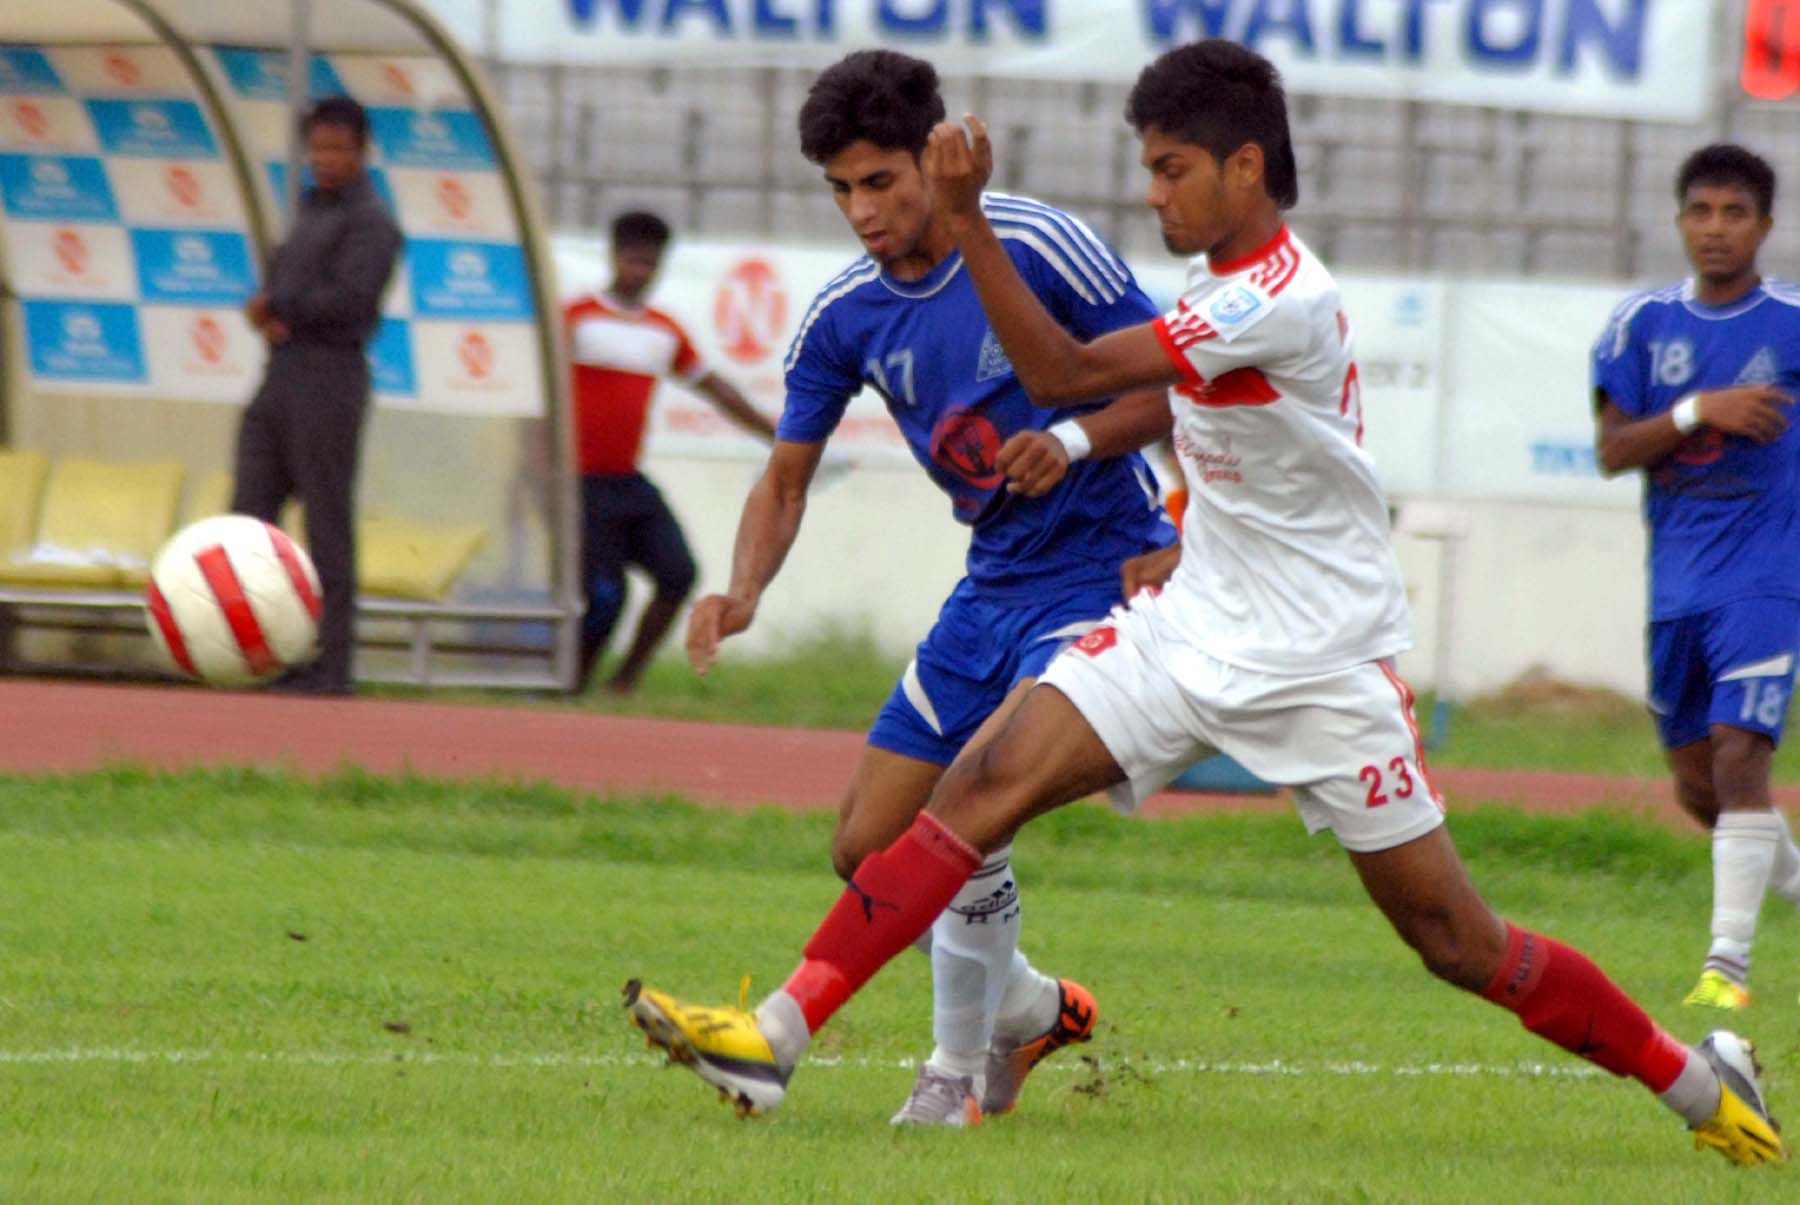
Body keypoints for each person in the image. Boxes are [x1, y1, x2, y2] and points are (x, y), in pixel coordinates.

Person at [627, 41, 1789, 1166]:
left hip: (1323, 662)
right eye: (1148, 165)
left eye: (1170, 167)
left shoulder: (1281, 296)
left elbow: (1068, 375)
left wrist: (971, 221)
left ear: (1245, 169)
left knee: (1459, 942)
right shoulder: (1210, 281)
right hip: (1189, 629)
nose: (1153, 191)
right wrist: (1177, 539)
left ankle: (1697, 1079)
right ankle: (777, 1035)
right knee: (977, 785)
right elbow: (1209, 435)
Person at [679, 49, 1177, 1126]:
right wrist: (743, 588)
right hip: (989, 587)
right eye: (841, 188)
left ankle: (950, 1075)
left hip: (1101, 573)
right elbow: (786, 475)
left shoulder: (1039, 245)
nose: (862, 210)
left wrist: (1075, 437)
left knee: (972, 800)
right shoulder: (845, 315)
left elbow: (1181, 388)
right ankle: (1031, 1006)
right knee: (866, 846)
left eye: (881, 182)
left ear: (935, 156)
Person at [1590, 144, 1800, 1011]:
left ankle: (1726, 971)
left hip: (1769, 576)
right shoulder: (1640, 325)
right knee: (1701, 788)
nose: (1716, 230)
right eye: (1701, 212)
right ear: (1680, 220)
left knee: (1741, 755)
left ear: (1766, 224)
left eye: (1735, 213)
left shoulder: (1791, 321)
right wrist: (1696, 411)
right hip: (1678, 583)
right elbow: (1612, 451)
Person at [564, 211, 777, 694]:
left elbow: (715, 388)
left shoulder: (663, 330)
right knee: (605, 596)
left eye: (650, 263)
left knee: (678, 574)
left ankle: (623, 682)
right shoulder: (577, 318)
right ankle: (570, 688)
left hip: (625, 478)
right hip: (578, 480)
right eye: (634, 260)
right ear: (615, 256)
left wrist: (778, 436)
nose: (641, 271)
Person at [234, 95, 402, 696]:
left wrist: (280, 307)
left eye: (339, 149)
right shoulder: (307, 209)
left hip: (330, 378)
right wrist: (267, 310)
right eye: (318, 148)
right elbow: (279, 283)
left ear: (361, 152)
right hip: (279, 373)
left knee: (326, 524)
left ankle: (332, 665)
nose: (326, 159)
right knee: (251, 519)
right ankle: (254, 649)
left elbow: (353, 301)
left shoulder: (373, 222)